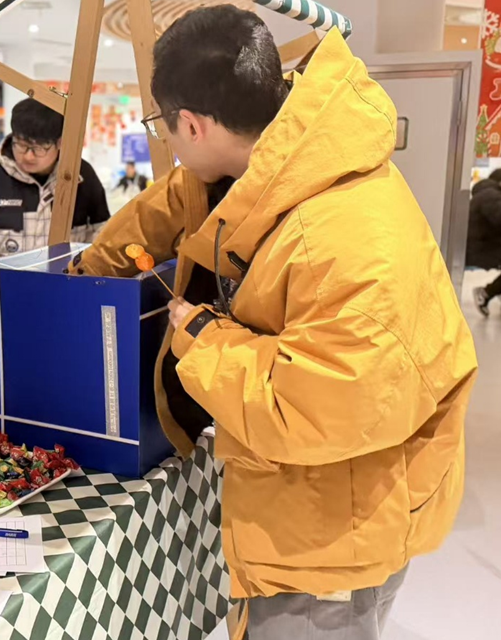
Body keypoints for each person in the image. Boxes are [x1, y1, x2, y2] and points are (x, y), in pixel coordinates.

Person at [72, 7, 477, 639]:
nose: (170, 147)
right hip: (319, 503)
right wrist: (86, 273)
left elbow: (310, 409)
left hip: (331, 534)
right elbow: (172, 204)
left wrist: (201, 337)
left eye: (163, 127)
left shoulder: (334, 236)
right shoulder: (281, 160)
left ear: (192, 124)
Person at [0, 98, 110, 263]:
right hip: (6, 281)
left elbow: (103, 230)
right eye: (21, 145)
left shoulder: (80, 176)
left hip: (68, 280)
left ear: (60, 143)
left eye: (38, 148)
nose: (28, 156)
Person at [467, 169, 501, 316]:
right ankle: (486, 293)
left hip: (481, 246)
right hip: (478, 250)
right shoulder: (491, 196)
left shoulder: (487, 194)